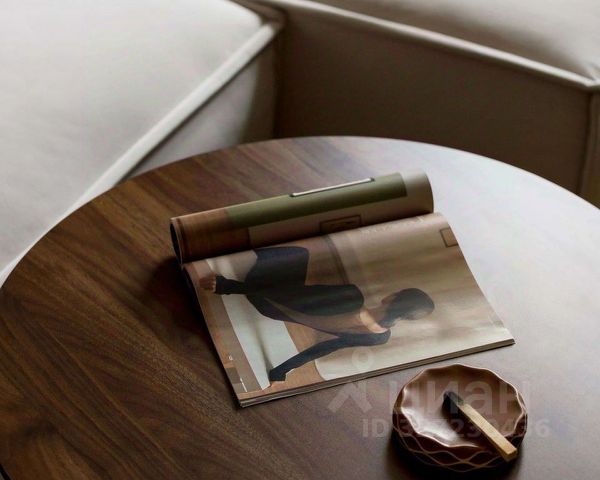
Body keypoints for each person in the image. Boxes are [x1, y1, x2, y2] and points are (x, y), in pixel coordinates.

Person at [199, 246, 434, 382]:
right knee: (296, 268)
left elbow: (291, 294)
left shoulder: (352, 296)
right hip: (273, 310)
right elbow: (323, 349)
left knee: (298, 253)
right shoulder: (380, 337)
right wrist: (280, 372)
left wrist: (227, 286)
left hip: (267, 299)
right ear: (406, 317)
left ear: (392, 297)